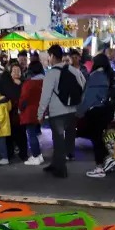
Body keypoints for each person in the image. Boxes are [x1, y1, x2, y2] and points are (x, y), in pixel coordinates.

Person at [37, 44, 86, 179]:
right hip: (72, 111)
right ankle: (55, 163)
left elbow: (45, 96)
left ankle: (61, 169)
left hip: (57, 113)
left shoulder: (51, 74)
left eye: (49, 56)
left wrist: (40, 114)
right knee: (68, 139)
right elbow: (82, 86)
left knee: (58, 140)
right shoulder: (74, 70)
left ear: (52, 56)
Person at [82, 54, 115, 179]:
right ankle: (107, 160)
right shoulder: (111, 75)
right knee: (98, 137)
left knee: (96, 138)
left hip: (96, 111)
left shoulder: (94, 76)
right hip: (108, 111)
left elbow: (87, 97)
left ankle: (99, 167)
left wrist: (81, 111)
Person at [19, 60, 45, 166]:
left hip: (29, 112)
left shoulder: (29, 83)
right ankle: (38, 155)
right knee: (35, 134)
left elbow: (23, 99)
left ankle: (36, 156)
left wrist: (20, 108)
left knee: (31, 135)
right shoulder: (45, 81)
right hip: (40, 110)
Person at [0, 64, 26, 161]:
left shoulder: (24, 83)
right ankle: (9, 153)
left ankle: (23, 154)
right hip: (9, 112)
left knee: (21, 134)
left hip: (21, 113)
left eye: (18, 70)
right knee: (9, 134)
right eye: (13, 71)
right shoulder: (6, 83)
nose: (16, 72)